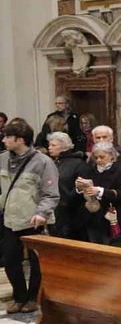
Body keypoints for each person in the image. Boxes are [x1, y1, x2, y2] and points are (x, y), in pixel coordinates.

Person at [0, 118, 59, 313]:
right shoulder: (2, 158)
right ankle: (19, 296)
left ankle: (33, 297)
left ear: (20, 139)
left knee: (37, 262)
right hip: (10, 219)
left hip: (34, 220)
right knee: (10, 259)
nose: (4, 139)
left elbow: (51, 194)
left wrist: (42, 213)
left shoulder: (43, 162)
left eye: (8, 136)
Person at [74, 142, 121, 244]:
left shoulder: (119, 171)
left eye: (102, 157)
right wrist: (80, 187)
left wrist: (101, 191)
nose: (98, 160)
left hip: (111, 216)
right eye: (96, 158)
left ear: (111, 156)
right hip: (91, 216)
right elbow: (81, 193)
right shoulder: (90, 170)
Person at [46, 131, 86, 239]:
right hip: (54, 210)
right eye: (49, 145)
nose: (49, 148)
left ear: (64, 146)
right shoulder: (52, 163)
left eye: (53, 145)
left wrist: (67, 200)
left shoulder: (78, 163)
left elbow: (82, 188)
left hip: (71, 212)